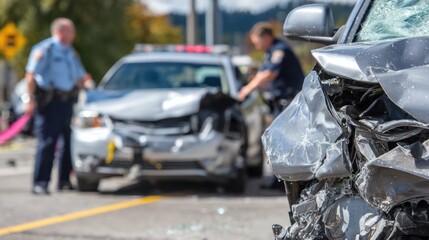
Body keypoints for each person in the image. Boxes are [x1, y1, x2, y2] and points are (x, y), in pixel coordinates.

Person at [25, 18, 88, 195]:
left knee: (68, 141)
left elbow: (80, 78)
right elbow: (30, 75)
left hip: (67, 102)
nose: (73, 35)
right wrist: (30, 99)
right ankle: (41, 182)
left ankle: (64, 180)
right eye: (71, 31)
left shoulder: (71, 53)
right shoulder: (45, 50)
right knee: (47, 142)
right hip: (50, 102)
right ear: (61, 32)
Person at [239, 22, 304, 189]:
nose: (257, 46)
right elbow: (264, 74)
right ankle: (281, 180)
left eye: (257, 42)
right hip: (280, 104)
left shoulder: (279, 50)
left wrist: (247, 89)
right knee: (279, 142)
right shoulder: (270, 52)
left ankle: (283, 181)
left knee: (283, 142)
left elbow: (269, 73)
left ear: (266, 37)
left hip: (287, 104)